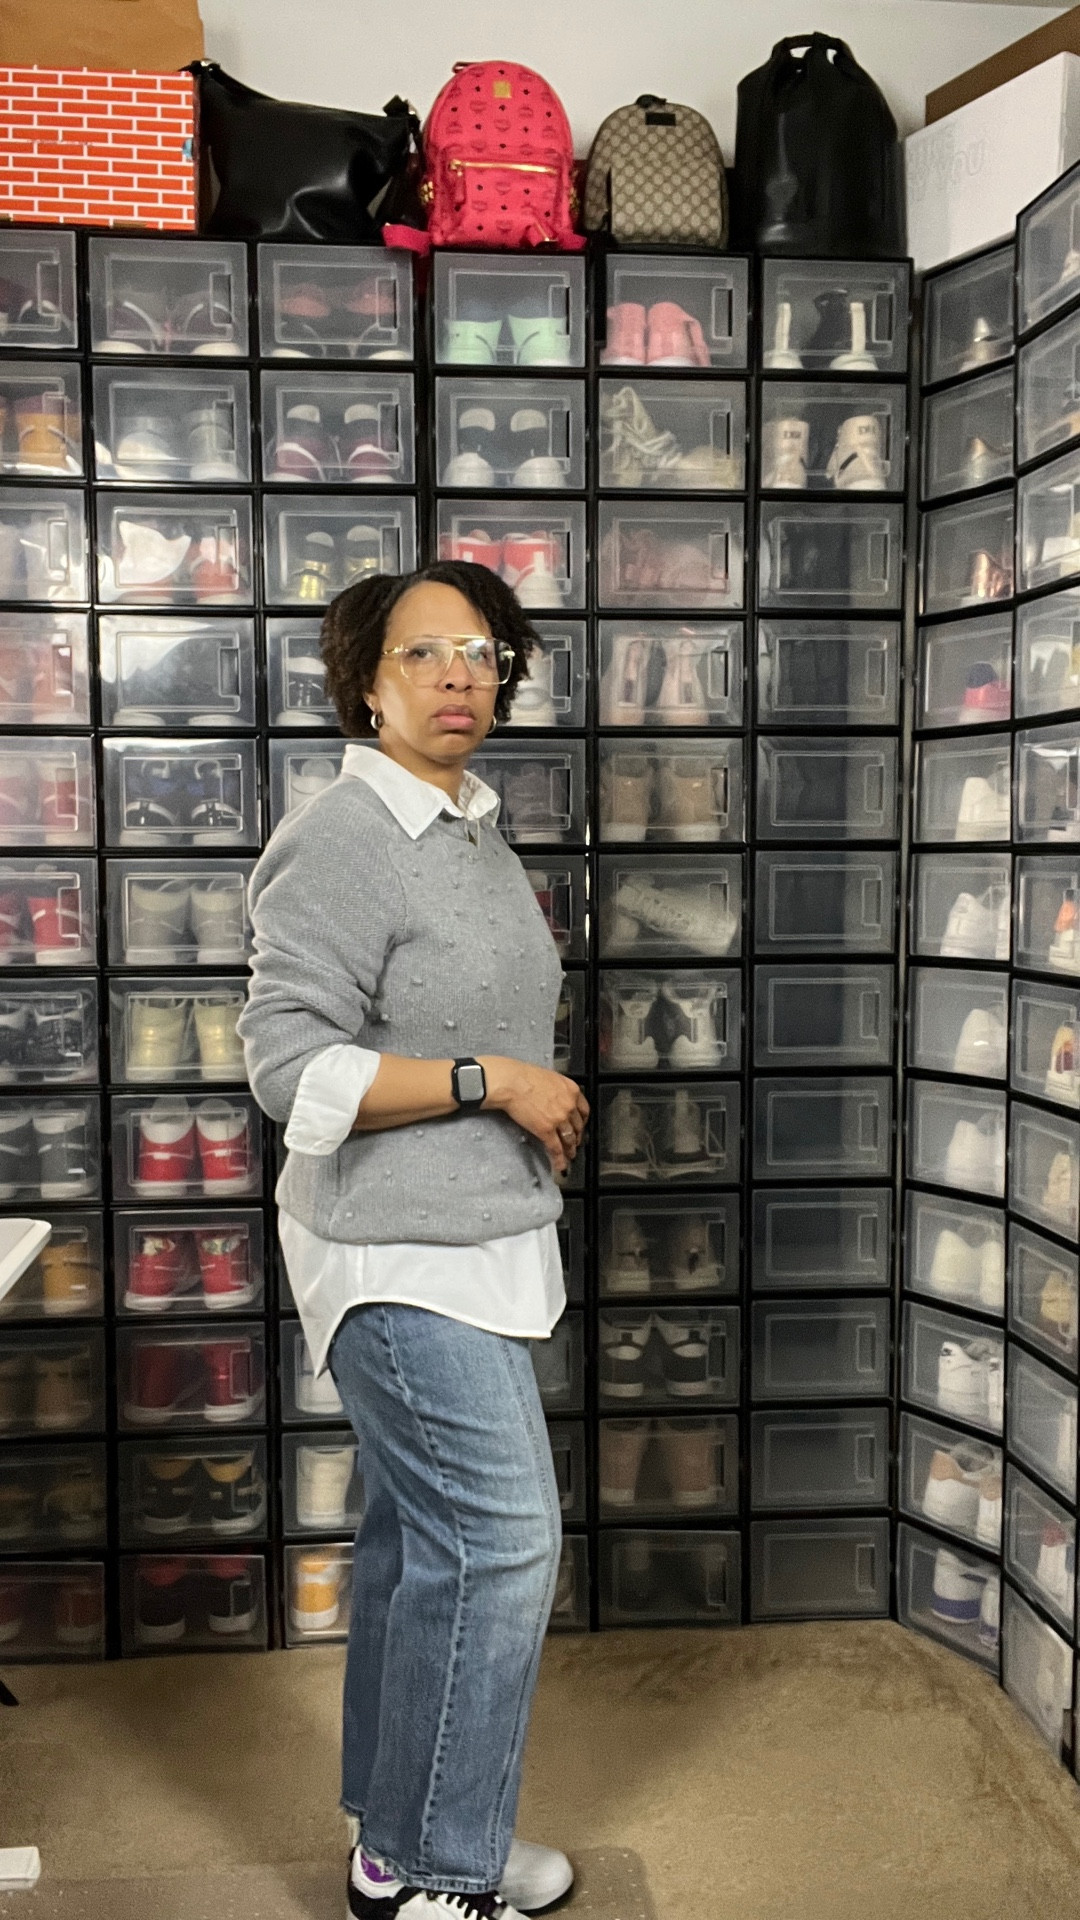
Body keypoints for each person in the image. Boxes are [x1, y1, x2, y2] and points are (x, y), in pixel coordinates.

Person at [238, 560, 589, 1920]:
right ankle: (442, 1874)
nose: (459, 674)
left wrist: (518, 1099)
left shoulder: (471, 828)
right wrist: (493, 1083)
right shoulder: (343, 833)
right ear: (367, 684)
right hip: (392, 1251)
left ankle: (400, 1842)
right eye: (425, 652)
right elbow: (289, 1068)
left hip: (476, 1236)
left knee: (414, 1547)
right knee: (500, 1542)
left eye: (483, 653)